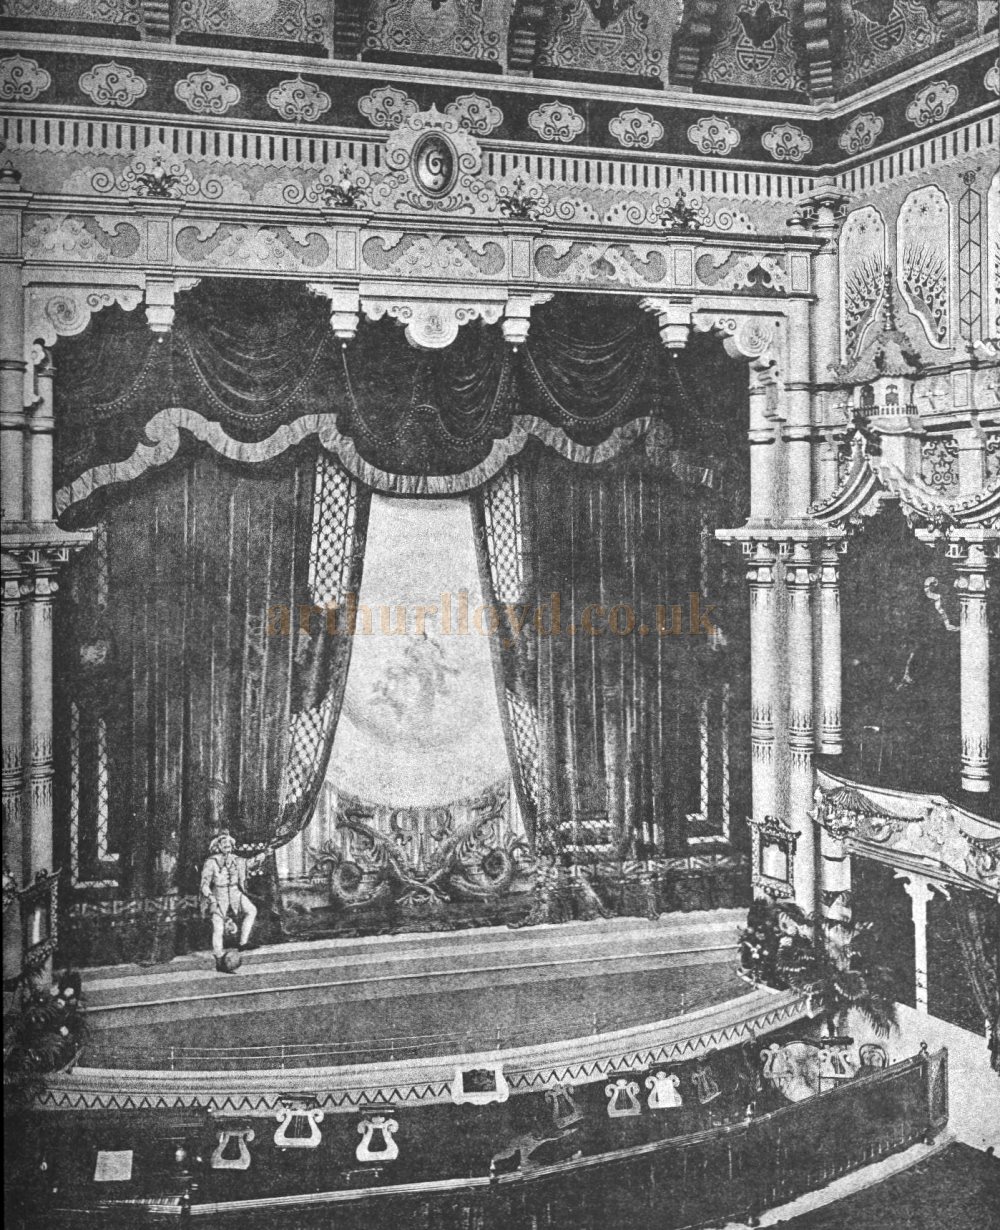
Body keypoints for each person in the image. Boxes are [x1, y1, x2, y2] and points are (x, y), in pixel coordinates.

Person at [199, 832, 257, 973]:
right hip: (219, 895)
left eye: (229, 844)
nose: (227, 846)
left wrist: (263, 855)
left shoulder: (237, 860)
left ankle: (243, 942)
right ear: (218, 846)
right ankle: (219, 958)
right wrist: (211, 898)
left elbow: (250, 863)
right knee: (218, 928)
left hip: (235, 893)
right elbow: (204, 885)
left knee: (251, 910)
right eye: (223, 844)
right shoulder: (211, 862)